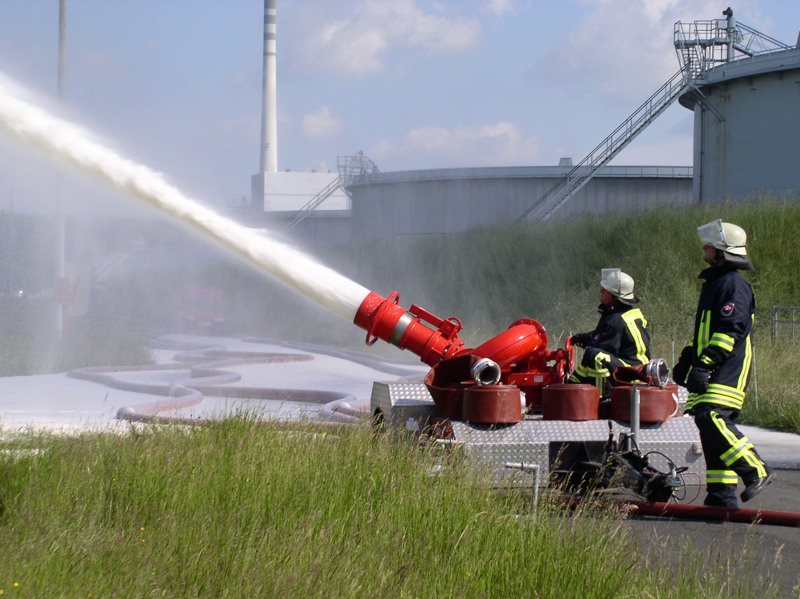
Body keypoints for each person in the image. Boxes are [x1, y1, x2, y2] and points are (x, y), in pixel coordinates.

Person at [671, 219, 774, 508]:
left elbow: (730, 330)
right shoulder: (716, 284)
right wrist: (687, 359)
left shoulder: (734, 285)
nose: (704, 248)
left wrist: (705, 365)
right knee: (706, 425)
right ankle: (721, 496)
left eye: (710, 245)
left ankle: (756, 469)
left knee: (712, 418)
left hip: (728, 370)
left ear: (722, 252)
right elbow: (705, 332)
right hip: (713, 366)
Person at [568, 268, 651, 398]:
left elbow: (603, 347)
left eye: (605, 290)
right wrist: (584, 338)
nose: (601, 291)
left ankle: (603, 396)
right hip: (639, 368)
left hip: (627, 371)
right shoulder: (630, 314)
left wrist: (571, 383)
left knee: (594, 355)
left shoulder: (614, 321)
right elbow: (607, 335)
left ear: (614, 296)